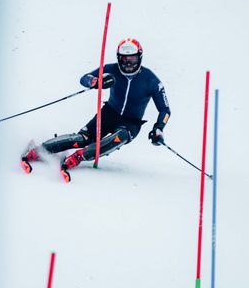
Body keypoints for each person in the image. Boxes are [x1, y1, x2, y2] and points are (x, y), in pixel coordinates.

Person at [21, 38, 171, 181]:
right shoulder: (111, 69)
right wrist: (95, 81)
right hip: (109, 113)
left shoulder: (150, 79)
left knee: (121, 136)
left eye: (132, 59)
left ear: (140, 57)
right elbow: (84, 78)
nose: (128, 63)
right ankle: (38, 151)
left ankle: (78, 157)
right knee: (83, 138)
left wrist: (159, 128)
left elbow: (164, 110)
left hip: (131, 122)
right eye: (124, 59)